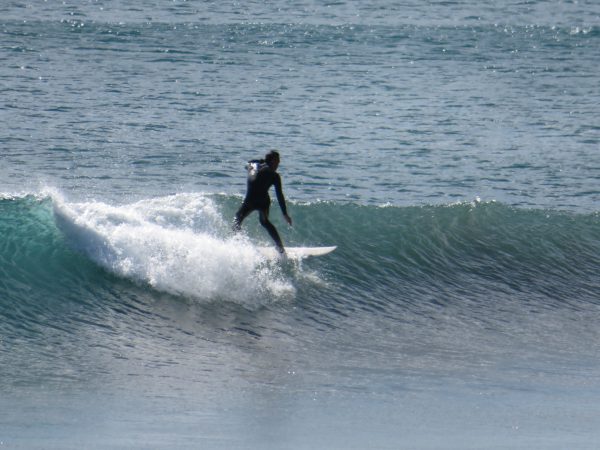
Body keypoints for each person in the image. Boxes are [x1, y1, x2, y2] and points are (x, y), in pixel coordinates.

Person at [233, 150, 292, 254]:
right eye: (277, 162)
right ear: (272, 161)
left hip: (250, 200)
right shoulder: (275, 175)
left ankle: (237, 244)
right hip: (263, 201)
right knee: (264, 222)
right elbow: (279, 195)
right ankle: (280, 248)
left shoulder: (252, 165)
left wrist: (260, 162)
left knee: (237, 219)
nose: (278, 164)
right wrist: (285, 213)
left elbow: (247, 163)